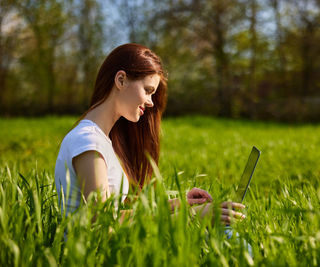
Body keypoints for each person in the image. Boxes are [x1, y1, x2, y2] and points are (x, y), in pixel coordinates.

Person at [54, 43, 246, 226]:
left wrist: (178, 204)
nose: (151, 102)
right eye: (148, 91)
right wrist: (192, 217)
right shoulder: (88, 141)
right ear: (121, 80)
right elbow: (102, 223)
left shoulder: (99, 140)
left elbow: (116, 215)